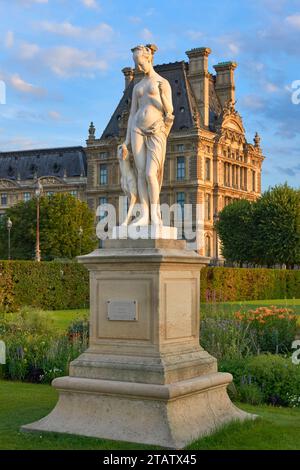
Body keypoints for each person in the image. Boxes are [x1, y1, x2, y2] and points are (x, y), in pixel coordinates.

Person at [120, 44, 174, 226]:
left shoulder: (163, 83)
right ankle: (144, 214)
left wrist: (158, 96)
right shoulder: (137, 87)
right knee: (141, 172)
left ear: (149, 59)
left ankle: (155, 214)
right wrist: (126, 141)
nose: (138, 67)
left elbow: (170, 111)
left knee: (152, 173)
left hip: (156, 129)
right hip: (136, 129)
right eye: (136, 64)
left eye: (140, 63)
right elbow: (133, 113)